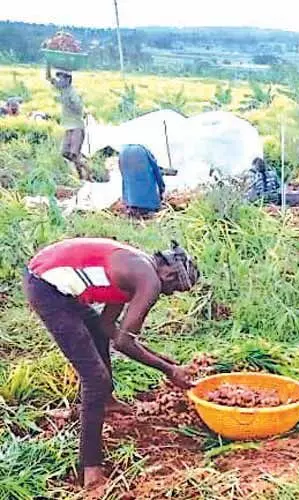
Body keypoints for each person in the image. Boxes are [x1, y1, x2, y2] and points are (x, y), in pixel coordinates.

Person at [24, 238, 200, 491]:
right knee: (95, 380)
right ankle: (91, 469)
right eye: (174, 288)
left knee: (96, 330)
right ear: (169, 273)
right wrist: (169, 370)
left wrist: (162, 358)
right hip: (46, 287)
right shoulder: (148, 281)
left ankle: (106, 402)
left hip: (46, 276)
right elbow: (124, 344)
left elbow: (109, 328)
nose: (169, 294)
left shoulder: (137, 269)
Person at [46, 64, 89, 180]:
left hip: (76, 127)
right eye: (59, 78)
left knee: (74, 155)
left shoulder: (72, 93)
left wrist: (66, 102)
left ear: (68, 79)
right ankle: (81, 175)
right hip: (68, 127)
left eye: (62, 78)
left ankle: (86, 175)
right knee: (65, 153)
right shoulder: (62, 89)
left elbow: (79, 109)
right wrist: (48, 63)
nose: (59, 80)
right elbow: (49, 78)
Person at [119, 144, 165, 217]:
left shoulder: (122, 152)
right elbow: (156, 171)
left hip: (131, 205)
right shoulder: (144, 151)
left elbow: (124, 176)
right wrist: (162, 188)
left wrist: (126, 201)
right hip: (149, 205)